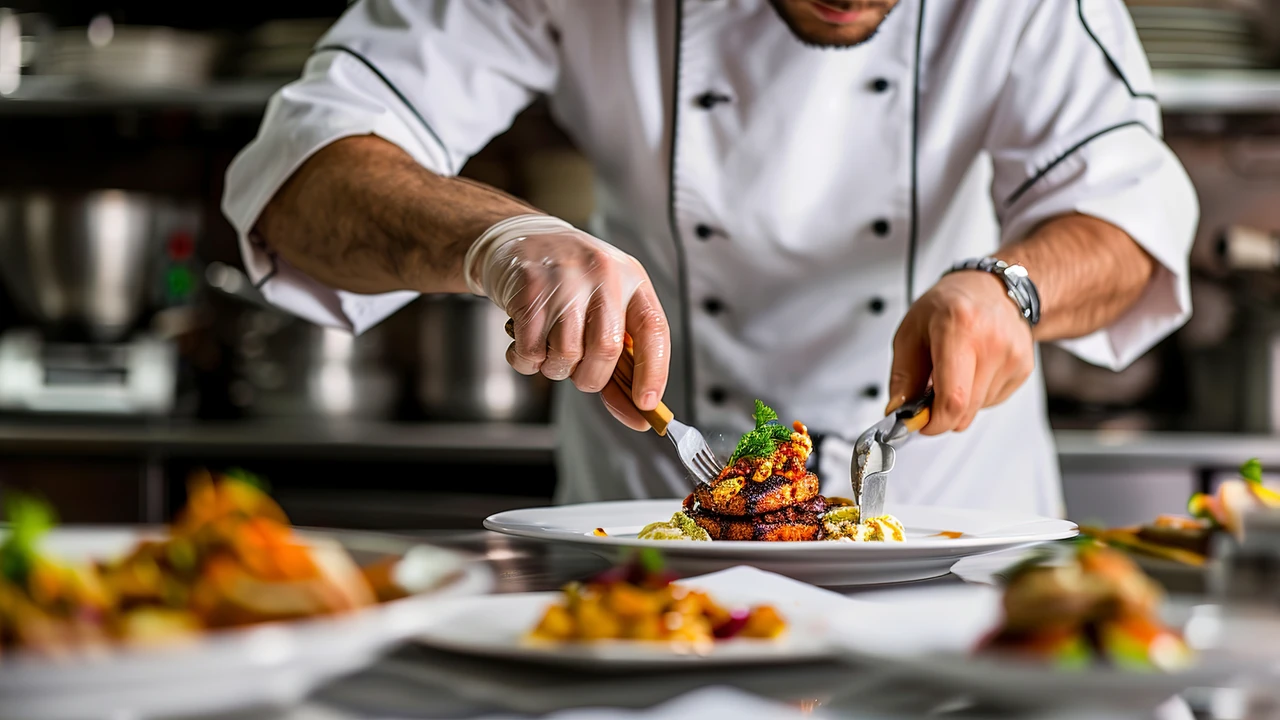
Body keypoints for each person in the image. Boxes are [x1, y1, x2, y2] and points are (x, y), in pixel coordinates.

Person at [222, 0, 1197, 516]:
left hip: (950, 535)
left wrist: (1011, 291)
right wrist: (498, 241)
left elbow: (1127, 216)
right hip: (645, 536)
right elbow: (304, 174)